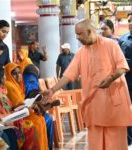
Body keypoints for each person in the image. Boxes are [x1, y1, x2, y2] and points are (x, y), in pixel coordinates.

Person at [43, 19, 132, 150]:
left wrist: (111, 78)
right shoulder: (81, 52)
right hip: (94, 104)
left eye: (79, 34)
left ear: (89, 32)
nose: (77, 37)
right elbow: (68, 74)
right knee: (96, 144)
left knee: (115, 144)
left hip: (113, 104)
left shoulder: (111, 45)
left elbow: (122, 67)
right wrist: (52, 90)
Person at [0, 67, 40, 150]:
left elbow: (7, 109)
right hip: (4, 124)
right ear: (1, 79)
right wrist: (16, 114)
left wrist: (17, 108)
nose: (6, 77)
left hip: (4, 121)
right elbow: (3, 113)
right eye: (4, 75)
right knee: (29, 127)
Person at [4, 62, 48, 150]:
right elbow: (18, 105)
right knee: (38, 122)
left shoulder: (18, 85)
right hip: (17, 116)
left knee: (41, 119)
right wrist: (31, 106)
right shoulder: (10, 85)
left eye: (19, 72)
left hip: (24, 112)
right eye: (14, 73)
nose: (18, 76)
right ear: (8, 74)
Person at [119, 11, 132, 146]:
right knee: (127, 112)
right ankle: (128, 142)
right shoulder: (122, 39)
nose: (130, 23)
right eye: (128, 20)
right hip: (126, 82)